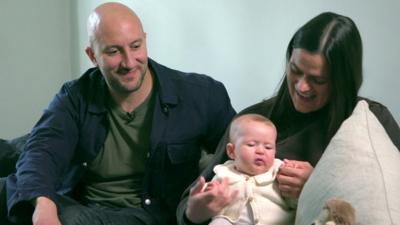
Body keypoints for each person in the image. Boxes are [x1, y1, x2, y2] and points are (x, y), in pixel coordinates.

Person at [3, 2, 235, 225]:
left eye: (135, 46)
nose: (129, 62)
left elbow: (241, 151)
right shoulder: (75, 95)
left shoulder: (201, 95)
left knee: (67, 216)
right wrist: (43, 207)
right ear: (92, 56)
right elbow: (42, 150)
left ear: (145, 40)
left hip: (144, 213)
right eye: (114, 51)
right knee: (13, 183)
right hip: (78, 198)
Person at [177, 12, 400, 225]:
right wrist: (195, 211)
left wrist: (317, 186)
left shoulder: (370, 120)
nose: (302, 86)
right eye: (295, 70)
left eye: (318, 80)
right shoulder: (254, 121)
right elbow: (189, 204)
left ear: (342, 80)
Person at [206, 114, 296, 225]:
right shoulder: (224, 173)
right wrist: (209, 194)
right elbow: (208, 201)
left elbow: (296, 203)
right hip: (233, 222)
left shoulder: (279, 171)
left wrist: (294, 194)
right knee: (219, 222)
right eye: (251, 144)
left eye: (268, 147)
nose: (260, 151)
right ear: (231, 151)